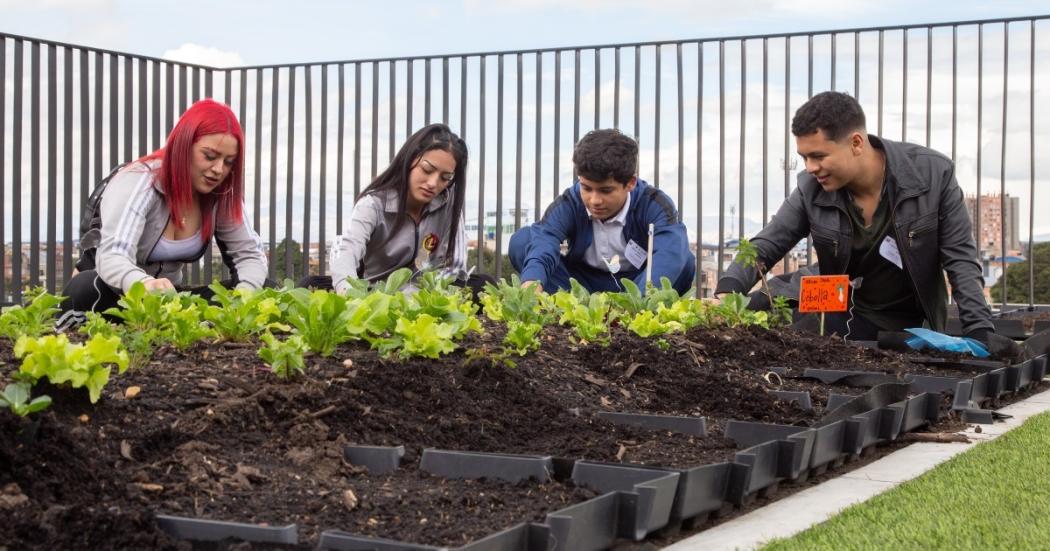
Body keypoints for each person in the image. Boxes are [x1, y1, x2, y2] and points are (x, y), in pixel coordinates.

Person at [715, 91, 995, 342]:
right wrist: (729, 290)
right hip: (836, 312)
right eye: (804, 157)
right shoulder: (810, 188)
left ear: (856, 143)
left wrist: (980, 332)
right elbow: (767, 244)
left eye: (819, 156)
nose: (810, 168)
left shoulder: (932, 175)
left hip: (908, 327)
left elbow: (960, 261)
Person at [60, 99, 268, 318]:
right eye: (209, 156)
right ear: (183, 145)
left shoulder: (221, 194)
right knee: (84, 287)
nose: (218, 169)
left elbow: (249, 256)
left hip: (167, 299)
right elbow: (113, 255)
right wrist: (144, 285)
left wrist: (242, 300)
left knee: (266, 286)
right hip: (114, 294)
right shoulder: (139, 180)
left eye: (228, 162)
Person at [509, 129, 695, 295]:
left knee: (684, 260)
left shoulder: (654, 203)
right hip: (578, 283)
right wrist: (532, 284)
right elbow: (545, 239)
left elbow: (670, 251)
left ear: (630, 183)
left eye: (606, 191)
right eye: (587, 188)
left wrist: (635, 303)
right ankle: (574, 304)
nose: (594, 200)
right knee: (524, 240)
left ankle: (637, 305)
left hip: (636, 282)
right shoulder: (570, 202)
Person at [325, 123, 491, 294]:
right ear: (410, 159)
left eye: (445, 177)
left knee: (483, 283)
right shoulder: (373, 204)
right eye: (427, 169)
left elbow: (455, 266)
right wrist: (349, 294)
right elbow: (347, 250)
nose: (433, 183)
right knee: (311, 284)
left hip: (423, 292)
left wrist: (424, 295)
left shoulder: (448, 202)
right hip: (377, 293)